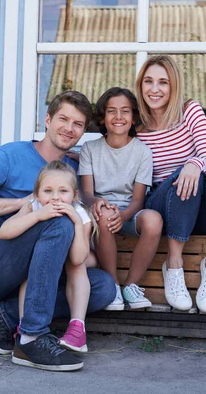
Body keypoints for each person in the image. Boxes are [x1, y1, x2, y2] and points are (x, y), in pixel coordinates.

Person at [0, 90, 116, 372]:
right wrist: (27, 204)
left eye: (78, 124)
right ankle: (31, 336)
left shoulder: (74, 169)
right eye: (63, 119)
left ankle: (3, 314)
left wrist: (97, 205)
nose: (69, 128)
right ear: (48, 120)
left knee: (102, 288)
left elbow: (79, 222)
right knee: (56, 219)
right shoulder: (11, 154)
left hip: (32, 269)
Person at [134, 55, 206, 313]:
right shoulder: (136, 124)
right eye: (148, 81)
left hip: (196, 206)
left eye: (163, 82)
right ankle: (173, 264)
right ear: (141, 86)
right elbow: (116, 152)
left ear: (174, 86)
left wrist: (193, 164)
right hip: (163, 205)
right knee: (184, 175)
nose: (155, 89)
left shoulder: (190, 111)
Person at [0, 161, 98, 353]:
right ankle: (24, 326)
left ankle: (78, 329)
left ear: (75, 195)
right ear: (37, 194)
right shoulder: (33, 206)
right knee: (33, 268)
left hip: (70, 263)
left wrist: (77, 223)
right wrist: (37, 215)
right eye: (48, 191)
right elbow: (5, 232)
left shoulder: (79, 212)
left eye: (63, 191)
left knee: (76, 267)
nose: (55, 198)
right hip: (41, 267)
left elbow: (79, 258)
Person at [79, 87, 163, 311]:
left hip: (130, 213)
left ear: (133, 117)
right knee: (104, 215)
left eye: (125, 111)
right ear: (102, 118)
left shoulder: (143, 152)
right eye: (111, 111)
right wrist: (96, 202)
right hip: (100, 212)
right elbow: (86, 193)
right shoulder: (89, 149)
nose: (118, 117)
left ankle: (132, 286)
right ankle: (113, 286)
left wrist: (124, 215)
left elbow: (138, 199)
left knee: (154, 220)